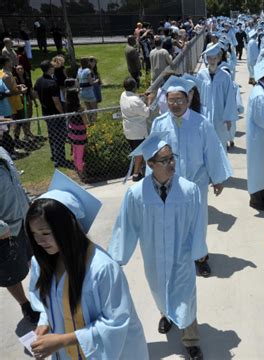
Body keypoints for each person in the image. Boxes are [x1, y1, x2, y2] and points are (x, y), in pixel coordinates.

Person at [27, 170, 148, 359]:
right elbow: (46, 302)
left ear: (67, 228)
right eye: (34, 234)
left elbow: (116, 321)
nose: (39, 241)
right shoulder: (40, 262)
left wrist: (63, 340)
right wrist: (44, 322)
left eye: (45, 233)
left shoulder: (102, 268)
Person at [109, 136, 206, 360]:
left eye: (172, 158)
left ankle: (191, 339)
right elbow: (127, 227)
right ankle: (166, 314)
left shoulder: (189, 190)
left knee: (186, 295)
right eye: (165, 160)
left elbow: (197, 224)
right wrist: (117, 259)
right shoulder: (136, 194)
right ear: (151, 164)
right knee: (159, 287)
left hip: (181, 255)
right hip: (153, 254)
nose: (172, 163)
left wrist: (198, 251)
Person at [150, 76, 232, 277]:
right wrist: (151, 181)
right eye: (171, 100)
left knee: (197, 221)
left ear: (188, 100)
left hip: (196, 182)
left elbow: (211, 151)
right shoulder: (159, 124)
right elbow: (151, 154)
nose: (175, 104)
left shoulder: (201, 123)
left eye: (180, 100)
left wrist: (217, 178)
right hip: (170, 184)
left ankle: (201, 258)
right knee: (173, 222)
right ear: (166, 100)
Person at [0, 146, 40, 325]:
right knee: (11, 273)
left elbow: (16, 183)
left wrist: (28, 204)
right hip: (5, 233)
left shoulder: (1, 152)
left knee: (36, 259)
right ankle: (25, 304)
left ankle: (44, 295)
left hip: (24, 221)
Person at [246, 58, 264, 211]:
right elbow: (263, 119)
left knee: (263, 168)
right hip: (259, 138)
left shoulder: (263, 92)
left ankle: (262, 192)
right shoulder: (260, 95)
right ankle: (255, 199)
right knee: (258, 168)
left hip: (263, 138)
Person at [197, 43, 238, 149]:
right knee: (205, 146)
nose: (212, 61)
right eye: (210, 58)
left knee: (220, 145)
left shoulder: (225, 76)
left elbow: (229, 98)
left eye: (214, 58)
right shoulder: (201, 75)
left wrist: (228, 118)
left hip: (220, 116)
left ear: (219, 58)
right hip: (204, 114)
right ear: (206, 59)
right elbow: (197, 96)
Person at [34, 60, 70, 168]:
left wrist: (43, 99)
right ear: (50, 68)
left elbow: (34, 93)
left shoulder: (39, 80)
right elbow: (56, 101)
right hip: (55, 114)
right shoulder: (52, 83)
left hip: (46, 112)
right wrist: (62, 113)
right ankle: (60, 160)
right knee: (60, 136)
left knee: (52, 135)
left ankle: (54, 156)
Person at [120, 77, 151, 182]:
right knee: (139, 153)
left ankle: (139, 171)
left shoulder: (123, 95)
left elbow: (133, 97)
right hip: (138, 131)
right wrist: (149, 100)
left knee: (135, 152)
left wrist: (142, 95)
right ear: (134, 87)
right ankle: (136, 173)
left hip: (128, 129)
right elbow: (147, 112)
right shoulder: (136, 101)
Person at [65, 88, 87, 173]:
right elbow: (86, 121)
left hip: (72, 131)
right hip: (80, 133)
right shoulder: (79, 108)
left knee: (74, 150)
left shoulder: (67, 106)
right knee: (80, 152)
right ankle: (80, 170)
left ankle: (77, 166)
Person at [76, 57, 98, 122]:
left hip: (82, 92)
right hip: (89, 92)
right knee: (94, 109)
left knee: (88, 108)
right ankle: (94, 122)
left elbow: (77, 81)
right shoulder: (88, 71)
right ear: (87, 62)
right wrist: (96, 81)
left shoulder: (79, 70)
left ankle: (89, 122)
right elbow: (91, 82)